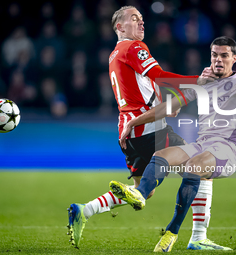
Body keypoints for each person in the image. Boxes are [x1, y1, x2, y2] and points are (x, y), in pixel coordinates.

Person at [110, 36, 236, 252]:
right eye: (214, 55)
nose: (218, 60)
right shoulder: (205, 80)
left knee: (194, 166)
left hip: (227, 148)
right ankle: (141, 194)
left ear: (234, 58)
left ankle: (171, 231)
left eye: (224, 55)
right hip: (203, 144)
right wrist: (134, 122)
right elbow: (168, 107)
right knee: (162, 155)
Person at [66, 6, 204, 248]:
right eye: (133, 19)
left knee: (145, 190)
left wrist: (167, 102)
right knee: (195, 168)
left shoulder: (115, 54)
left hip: (128, 133)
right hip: (147, 126)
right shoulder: (133, 47)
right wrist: (199, 81)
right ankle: (176, 234)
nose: (141, 23)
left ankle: (84, 210)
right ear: (119, 27)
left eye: (141, 19)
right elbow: (159, 75)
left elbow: (144, 86)